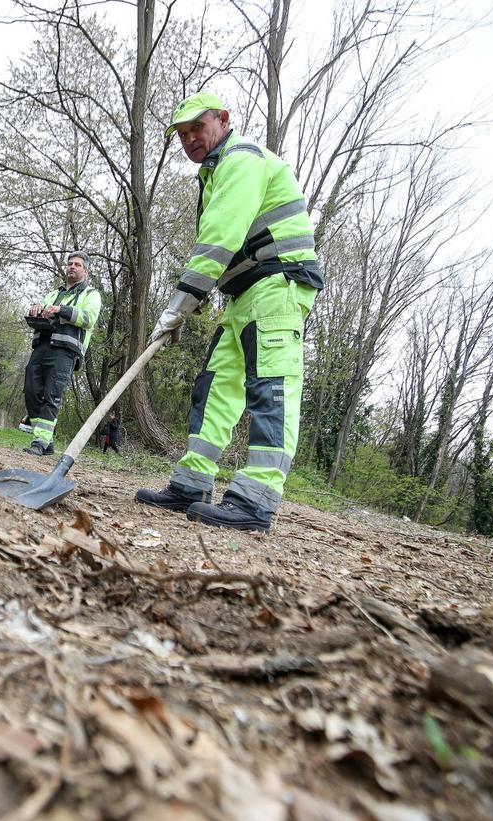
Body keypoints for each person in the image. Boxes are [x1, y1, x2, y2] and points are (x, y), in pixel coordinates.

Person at [137, 92, 322, 533]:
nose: (189, 141)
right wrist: (196, 301)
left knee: (269, 390)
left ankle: (254, 502)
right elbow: (224, 249)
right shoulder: (214, 173)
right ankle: (191, 484)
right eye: (181, 135)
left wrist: (179, 305)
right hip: (241, 296)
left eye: (196, 129)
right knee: (216, 387)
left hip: (277, 286)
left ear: (222, 120)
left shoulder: (241, 159)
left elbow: (220, 238)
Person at [22, 251, 102, 455]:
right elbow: (44, 310)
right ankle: (46, 441)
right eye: (70, 264)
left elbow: (88, 318)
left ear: (86, 270)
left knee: (52, 394)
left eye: (77, 265)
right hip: (42, 345)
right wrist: (37, 309)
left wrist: (60, 310)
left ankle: (40, 441)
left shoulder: (90, 294)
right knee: (31, 390)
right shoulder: (53, 293)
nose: (72, 267)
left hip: (65, 351)